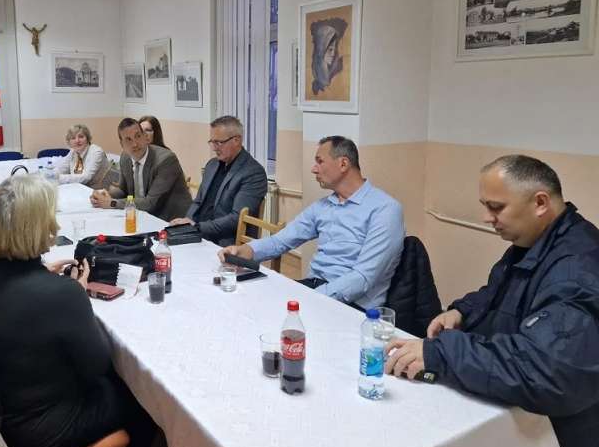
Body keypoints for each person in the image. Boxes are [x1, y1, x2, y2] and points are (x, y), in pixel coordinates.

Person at [385, 155, 599, 447]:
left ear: (540, 203)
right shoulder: (535, 241)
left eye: (496, 207)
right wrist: (462, 311)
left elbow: (547, 373)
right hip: (508, 403)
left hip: (555, 435)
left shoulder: (576, 268)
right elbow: (497, 293)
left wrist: (443, 353)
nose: (487, 217)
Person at [0, 175, 156, 447]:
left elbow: (14, 297)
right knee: (144, 401)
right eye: (50, 219)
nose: (56, 227)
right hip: (41, 428)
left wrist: (43, 276)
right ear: (38, 228)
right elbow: (97, 366)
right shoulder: (61, 295)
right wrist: (74, 294)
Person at [218, 136, 405, 309]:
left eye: (320, 161)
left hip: (353, 306)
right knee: (245, 302)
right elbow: (280, 240)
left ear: (343, 164)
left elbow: (363, 278)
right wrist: (246, 251)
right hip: (316, 289)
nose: (314, 169)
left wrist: (311, 298)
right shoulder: (324, 206)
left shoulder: (385, 209)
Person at [170, 115, 267, 246]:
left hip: (225, 242)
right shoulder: (212, 165)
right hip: (198, 233)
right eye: (212, 142)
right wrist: (187, 222)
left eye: (219, 143)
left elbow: (236, 219)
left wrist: (197, 227)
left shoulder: (253, 173)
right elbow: (198, 201)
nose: (214, 148)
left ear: (236, 140)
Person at [90, 118, 191, 222]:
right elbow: (123, 191)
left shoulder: (166, 160)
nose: (135, 144)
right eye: (128, 140)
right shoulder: (125, 157)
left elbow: (150, 203)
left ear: (145, 137)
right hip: (142, 216)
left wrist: (112, 203)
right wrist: (105, 195)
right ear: (122, 145)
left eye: (138, 136)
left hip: (171, 220)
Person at [57, 124, 113, 189]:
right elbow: (61, 169)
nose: (77, 141)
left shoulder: (96, 152)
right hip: (79, 188)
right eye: (73, 138)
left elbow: (86, 177)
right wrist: (51, 175)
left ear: (87, 139)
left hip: (98, 190)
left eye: (81, 137)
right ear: (69, 142)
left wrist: (58, 178)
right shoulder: (73, 152)